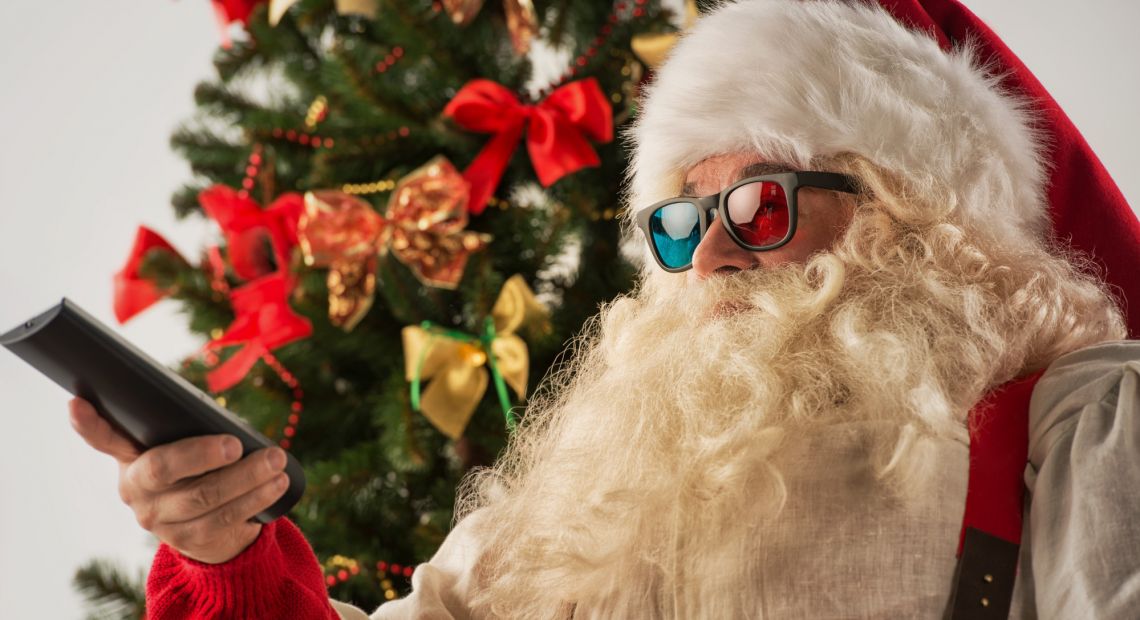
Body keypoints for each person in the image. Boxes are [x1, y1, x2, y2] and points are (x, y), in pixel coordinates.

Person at [68, 0, 1140, 617]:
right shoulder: (598, 493)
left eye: (760, 204)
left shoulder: (1079, 421)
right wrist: (227, 549)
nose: (711, 251)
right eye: (680, 222)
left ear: (914, 221)